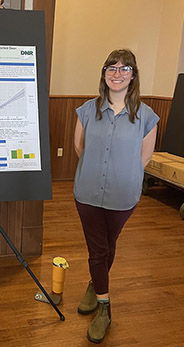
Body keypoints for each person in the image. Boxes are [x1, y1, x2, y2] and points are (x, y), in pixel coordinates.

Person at [73, 49, 159, 343]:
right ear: (104, 73)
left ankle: (93, 285)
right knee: (98, 250)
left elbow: (143, 159)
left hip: (124, 196)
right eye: (112, 67)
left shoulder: (146, 116)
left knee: (108, 246)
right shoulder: (87, 110)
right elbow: (79, 148)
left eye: (124, 69)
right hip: (87, 193)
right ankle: (105, 309)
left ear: (133, 76)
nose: (117, 73)